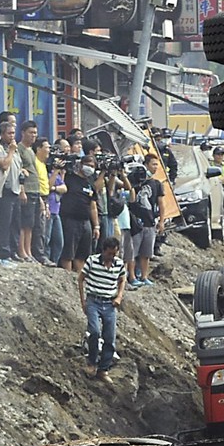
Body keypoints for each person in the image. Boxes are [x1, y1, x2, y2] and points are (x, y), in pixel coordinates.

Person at [80, 235, 125, 380]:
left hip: (109, 303)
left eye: (114, 253)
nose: (112, 256)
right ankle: (92, 362)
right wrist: (83, 302)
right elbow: (81, 278)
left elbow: (122, 279)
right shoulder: (92, 261)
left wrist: (119, 296)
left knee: (109, 337)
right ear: (103, 250)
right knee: (94, 331)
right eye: (109, 253)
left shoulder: (119, 264)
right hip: (93, 300)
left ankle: (103, 368)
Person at [125, 152, 166, 288]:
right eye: (153, 164)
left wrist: (161, 221)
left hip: (150, 222)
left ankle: (144, 276)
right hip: (136, 222)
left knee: (146, 253)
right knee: (132, 252)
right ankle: (131, 276)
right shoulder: (135, 180)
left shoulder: (157, 184)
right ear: (146, 164)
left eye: (157, 165)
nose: (155, 167)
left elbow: (161, 203)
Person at [57, 150, 99, 272]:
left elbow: (93, 206)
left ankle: (80, 278)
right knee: (68, 253)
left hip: (86, 222)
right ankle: (68, 277)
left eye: (92, 166)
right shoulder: (71, 178)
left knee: (82, 255)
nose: (89, 168)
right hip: (70, 220)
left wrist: (96, 226)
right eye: (88, 165)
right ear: (81, 164)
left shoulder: (90, 183)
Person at [0, 120, 23, 263]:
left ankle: (13, 251)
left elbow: (18, 166)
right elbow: (4, 165)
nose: (12, 136)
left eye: (13, 133)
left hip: (15, 190)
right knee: (4, 223)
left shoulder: (14, 149)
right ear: (2, 134)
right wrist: (11, 151)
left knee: (16, 223)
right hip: (3, 191)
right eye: (9, 133)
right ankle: (3, 253)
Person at [18, 121, 46, 263]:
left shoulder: (30, 150)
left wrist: (41, 197)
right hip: (27, 190)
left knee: (32, 224)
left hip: (35, 190)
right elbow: (19, 172)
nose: (33, 136)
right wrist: (22, 191)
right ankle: (22, 251)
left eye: (35, 133)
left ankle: (29, 251)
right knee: (25, 223)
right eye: (31, 133)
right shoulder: (20, 149)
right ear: (23, 133)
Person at [43, 139, 65, 269]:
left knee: (59, 241)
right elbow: (47, 187)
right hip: (49, 208)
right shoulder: (46, 171)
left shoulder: (55, 174)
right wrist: (56, 172)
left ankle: (54, 262)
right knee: (46, 239)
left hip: (56, 210)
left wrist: (55, 187)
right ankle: (46, 263)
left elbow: (64, 188)